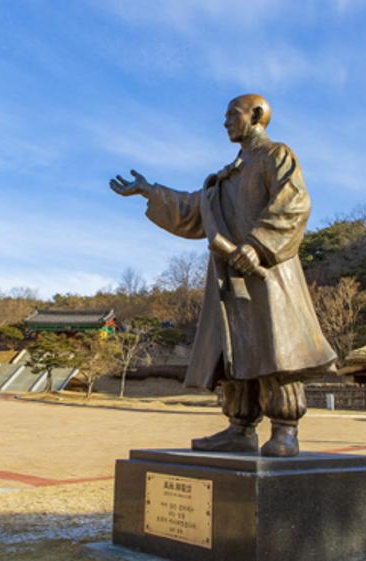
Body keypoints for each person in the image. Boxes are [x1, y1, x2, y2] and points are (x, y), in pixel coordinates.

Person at [109, 94, 336, 457]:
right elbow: (192, 211)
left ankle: (285, 430)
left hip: (268, 275)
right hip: (229, 280)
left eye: (233, 114)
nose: (225, 122)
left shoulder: (277, 155)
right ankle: (240, 428)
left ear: (257, 115)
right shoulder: (222, 179)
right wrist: (149, 191)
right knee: (236, 353)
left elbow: (293, 203)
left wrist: (257, 245)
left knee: (275, 349)